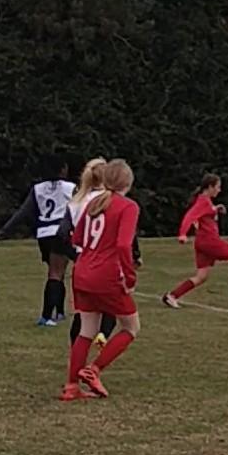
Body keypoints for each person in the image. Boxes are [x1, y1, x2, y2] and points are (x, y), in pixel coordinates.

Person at [60, 159, 141, 401]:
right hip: (106, 275)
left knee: (87, 330)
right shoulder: (128, 206)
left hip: (82, 271)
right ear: (128, 182)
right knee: (131, 327)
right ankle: (94, 370)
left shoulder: (94, 202)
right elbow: (124, 244)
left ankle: (71, 386)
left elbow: (77, 240)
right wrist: (129, 275)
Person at [0, 154, 76, 326]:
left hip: (44, 233)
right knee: (56, 273)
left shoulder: (38, 188)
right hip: (60, 232)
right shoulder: (70, 188)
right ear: (62, 170)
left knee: (57, 272)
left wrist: (5, 230)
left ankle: (59, 312)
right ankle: (46, 316)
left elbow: (23, 212)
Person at [162, 173, 228, 309]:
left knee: (201, 276)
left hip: (202, 242)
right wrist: (182, 234)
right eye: (218, 187)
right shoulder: (203, 201)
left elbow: (205, 213)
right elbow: (190, 216)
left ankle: (172, 296)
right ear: (210, 187)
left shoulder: (205, 201)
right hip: (210, 242)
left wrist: (216, 209)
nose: (219, 190)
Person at [60, 158, 119, 347]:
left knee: (83, 312)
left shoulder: (76, 201)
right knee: (111, 303)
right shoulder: (112, 200)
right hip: (105, 259)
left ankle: (75, 350)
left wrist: (75, 254)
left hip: (83, 261)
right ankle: (103, 333)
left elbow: (62, 233)